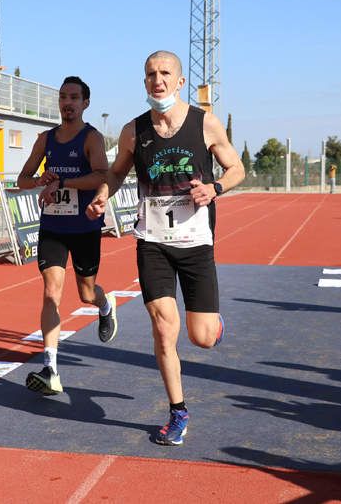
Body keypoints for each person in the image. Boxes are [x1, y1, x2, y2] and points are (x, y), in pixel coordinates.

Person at [87, 51, 244, 445]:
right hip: (152, 242)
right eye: (151, 75)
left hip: (195, 244)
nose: (157, 80)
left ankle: (213, 326)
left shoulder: (204, 123)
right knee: (162, 328)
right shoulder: (133, 130)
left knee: (201, 337)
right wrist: (104, 195)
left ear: (179, 82)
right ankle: (178, 412)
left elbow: (237, 168)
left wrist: (215, 188)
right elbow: (118, 170)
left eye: (165, 73)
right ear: (145, 83)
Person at [17, 76, 117, 396]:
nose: (67, 103)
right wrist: (39, 180)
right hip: (53, 227)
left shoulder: (92, 138)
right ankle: (50, 368)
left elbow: (102, 175)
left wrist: (63, 184)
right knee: (51, 293)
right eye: (63, 97)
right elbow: (22, 179)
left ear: (85, 103)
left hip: (85, 227)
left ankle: (104, 305)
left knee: (86, 293)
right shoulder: (45, 139)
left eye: (74, 97)